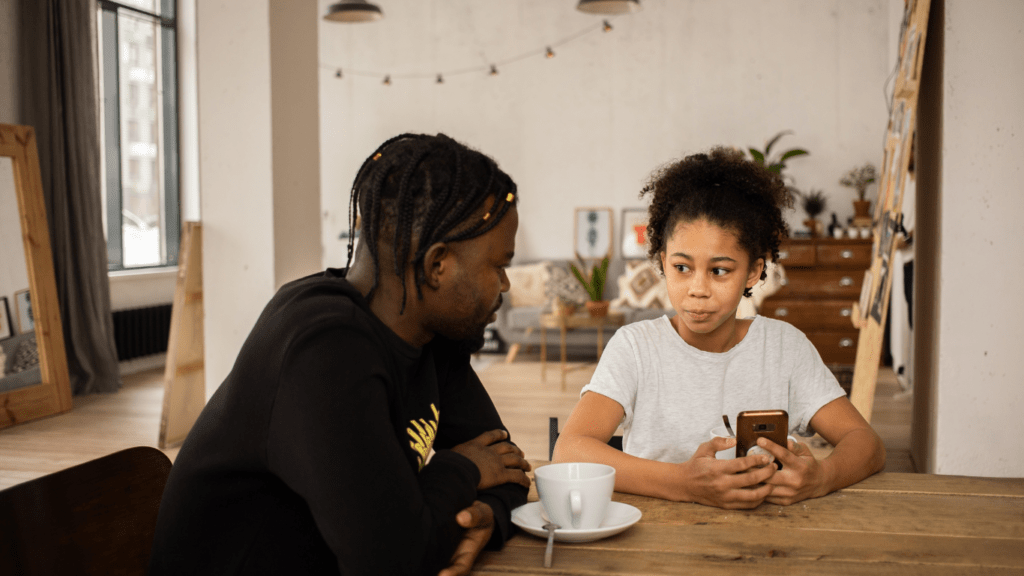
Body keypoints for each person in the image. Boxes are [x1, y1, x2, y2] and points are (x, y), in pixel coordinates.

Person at [150, 134, 532, 575]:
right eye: (499, 266)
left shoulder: (430, 330)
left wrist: (488, 518)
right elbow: (394, 563)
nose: (505, 285)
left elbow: (506, 463)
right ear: (437, 266)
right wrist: (462, 470)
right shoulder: (323, 347)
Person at [553, 147, 885, 509]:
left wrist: (823, 477)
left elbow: (865, 442)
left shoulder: (784, 348)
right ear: (663, 262)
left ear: (755, 271)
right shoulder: (635, 347)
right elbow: (569, 450)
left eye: (720, 271)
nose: (697, 288)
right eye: (682, 267)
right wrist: (683, 482)